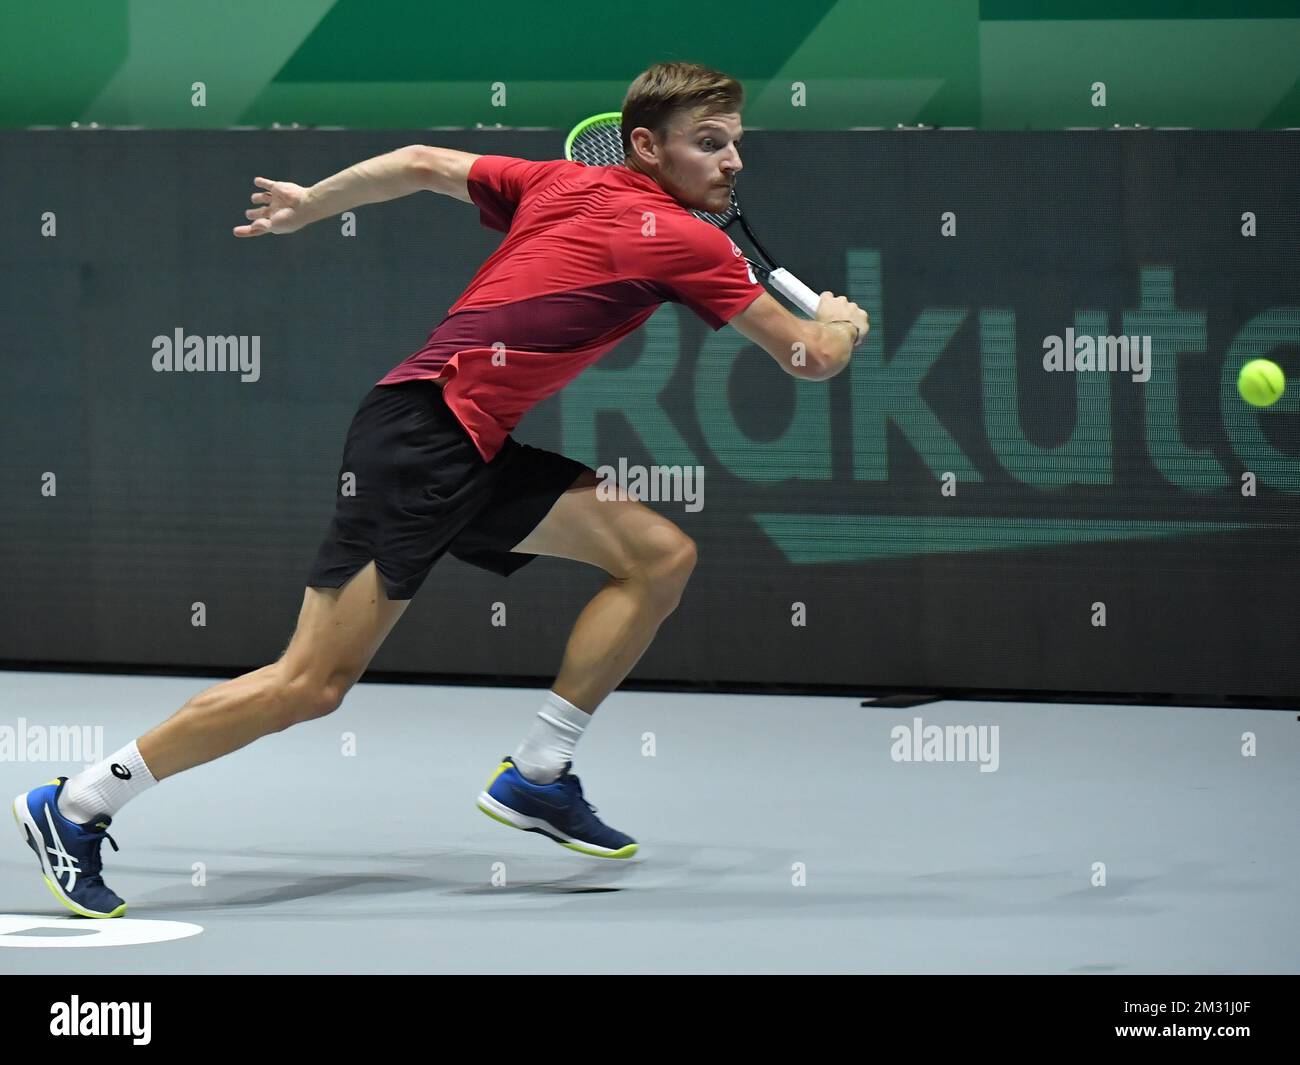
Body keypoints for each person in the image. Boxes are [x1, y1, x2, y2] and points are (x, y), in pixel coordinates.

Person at [12, 60, 868, 918]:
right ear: (644, 145)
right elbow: (810, 357)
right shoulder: (686, 240)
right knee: (309, 683)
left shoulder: (560, 180)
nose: (731, 163)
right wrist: (838, 320)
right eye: (709, 144)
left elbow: (421, 160)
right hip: (421, 443)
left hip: (465, 439)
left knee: (657, 556)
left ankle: (537, 774)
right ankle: (79, 802)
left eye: (735, 146)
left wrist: (312, 204)